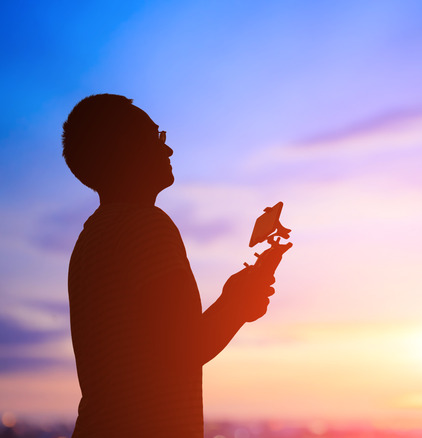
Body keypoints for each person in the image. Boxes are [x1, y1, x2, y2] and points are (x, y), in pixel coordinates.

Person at [62, 94, 276, 437]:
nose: (168, 149)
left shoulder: (91, 239)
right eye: (156, 137)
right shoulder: (146, 226)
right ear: (124, 150)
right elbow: (185, 349)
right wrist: (237, 303)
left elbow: (149, 352)